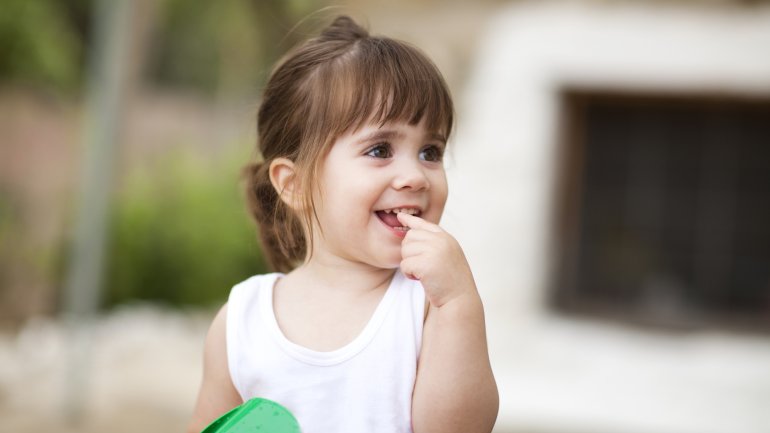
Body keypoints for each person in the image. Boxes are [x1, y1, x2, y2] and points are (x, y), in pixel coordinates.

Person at [187, 15, 498, 433]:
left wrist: (460, 304)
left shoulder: (426, 307)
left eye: (430, 151)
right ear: (295, 185)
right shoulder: (242, 322)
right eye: (380, 149)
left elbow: (460, 428)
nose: (416, 175)